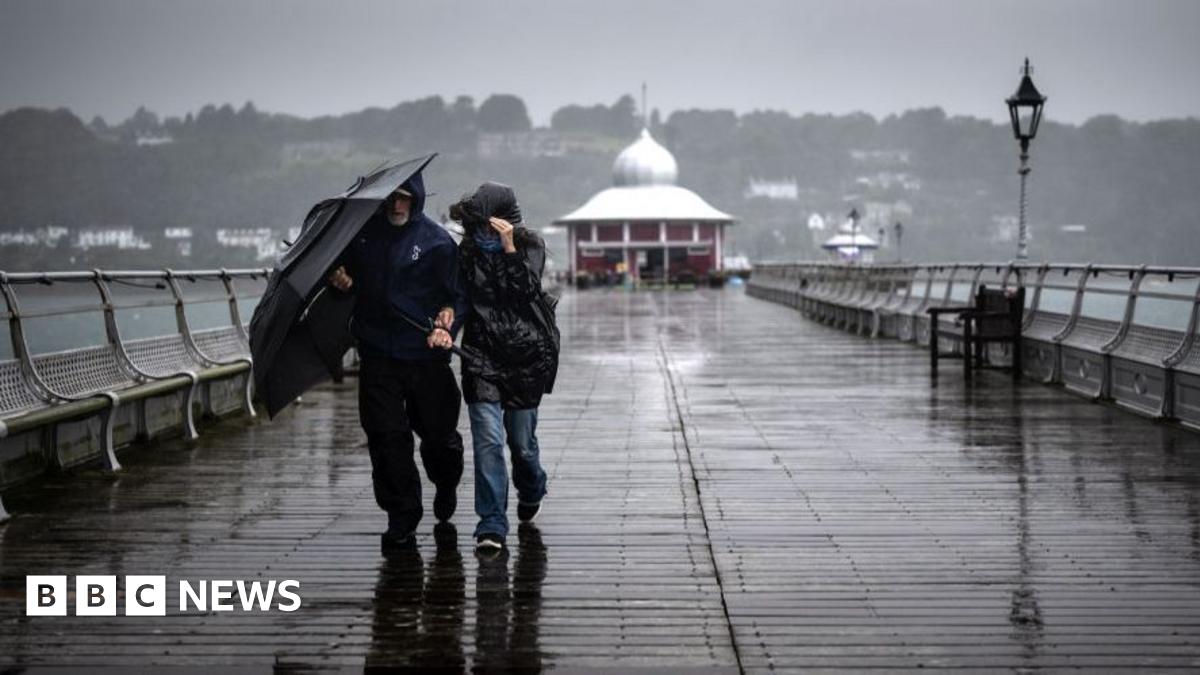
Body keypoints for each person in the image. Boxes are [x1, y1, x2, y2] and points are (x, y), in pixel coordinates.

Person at [328, 167, 467, 552]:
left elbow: (456, 297)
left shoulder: (438, 243)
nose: (396, 204)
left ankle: (446, 483)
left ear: (417, 197)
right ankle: (402, 516)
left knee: (439, 439)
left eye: (404, 197)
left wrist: (447, 325)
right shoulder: (361, 239)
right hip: (377, 354)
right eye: (390, 197)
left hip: (425, 356)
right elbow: (345, 285)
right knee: (386, 438)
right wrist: (339, 282)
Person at [440, 182, 559, 554]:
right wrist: (446, 329)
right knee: (489, 442)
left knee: (522, 445)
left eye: (489, 223)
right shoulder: (467, 253)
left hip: (526, 356)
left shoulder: (531, 245)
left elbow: (524, 293)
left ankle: (532, 487)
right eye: (477, 224)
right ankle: (491, 523)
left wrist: (509, 250)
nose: (482, 231)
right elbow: (460, 300)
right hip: (481, 356)